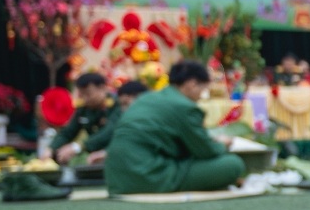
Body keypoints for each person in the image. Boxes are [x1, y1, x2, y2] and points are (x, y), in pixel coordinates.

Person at [104, 62, 247, 195]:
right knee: (233, 164)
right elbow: (206, 151)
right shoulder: (184, 107)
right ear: (192, 84)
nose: (201, 96)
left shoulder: (147, 98)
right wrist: (223, 143)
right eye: (203, 90)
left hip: (116, 180)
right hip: (148, 176)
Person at [50, 72, 114, 164]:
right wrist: (51, 148)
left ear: (103, 88)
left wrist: (78, 146)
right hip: (93, 158)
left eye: (88, 94)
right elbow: (68, 132)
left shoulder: (115, 106)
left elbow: (108, 132)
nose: (85, 98)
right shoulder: (84, 109)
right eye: (82, 95)